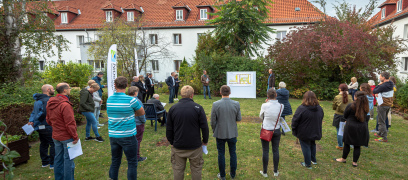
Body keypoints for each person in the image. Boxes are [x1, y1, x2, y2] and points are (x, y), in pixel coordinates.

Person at [166, 85, 209, 180]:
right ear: (192, 95)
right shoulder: (197, 108)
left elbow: (169, 128)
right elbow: (205, 127)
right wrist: (205, 141)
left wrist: (171, 142)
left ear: (181, 95)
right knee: (196, 169)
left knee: (178, 170)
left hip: (182, 145)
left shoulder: (173, 108)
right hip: (191, 146)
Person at [107, 76, 145, 180]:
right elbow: (142, 112)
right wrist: (131, 115)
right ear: (127, 85)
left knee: (115, 160)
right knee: (132, 162)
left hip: (113, 135)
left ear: (115, 86)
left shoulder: (109, 99)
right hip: (128, 135)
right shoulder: (131, 100)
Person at [46, 83, 79, 180]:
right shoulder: (65, 105)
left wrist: (56, 127)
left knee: (58, 159)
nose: (70, 89)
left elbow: (48, 120)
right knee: (68, 160)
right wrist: (75, 136)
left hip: (56, 135)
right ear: (64, 90)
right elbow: (70, 123)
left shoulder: (50, 102)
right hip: (66, 137)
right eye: (69, 88)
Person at [211, 85, 241, 180]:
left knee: (221, 154)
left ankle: (223, 175)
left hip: (220, 133)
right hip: (232, 132)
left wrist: (215, 130)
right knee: (233, 153)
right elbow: (239, 118)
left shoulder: (216, 104)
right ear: (230, 92)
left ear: (220, 93)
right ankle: (232, 174)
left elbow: (212, 121)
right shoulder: (236, 104)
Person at [334, 91, 369, 167]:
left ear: (355, 97)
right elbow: (367, 117)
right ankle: (354, 162)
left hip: (351, 126)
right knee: (357, 145)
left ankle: (343, 159)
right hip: (361, 127)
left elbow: (345, 115)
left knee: (347, 143)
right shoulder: (366, 106)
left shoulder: (351, 105)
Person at [292, 91, 324, 170]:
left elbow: (295, 120)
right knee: (312, 144)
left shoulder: (304, 108)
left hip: (305, 132)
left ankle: (308, 163)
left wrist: (294, 128)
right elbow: (296, 120)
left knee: (306, 145)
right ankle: (313, 160)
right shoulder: (318, 108)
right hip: (314, 130)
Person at [27, 84, 55, 169]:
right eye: (53, 89)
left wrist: (31, 120)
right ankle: (52, 164)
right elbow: (42, 113)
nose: (54, 90)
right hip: (47, 125)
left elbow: (34, 112)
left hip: (40, 127)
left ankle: (44, 162)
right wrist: (36, 121)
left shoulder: (37, 100)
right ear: (48, 89)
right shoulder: (47, 100)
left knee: (43, 143)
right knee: (53, 143)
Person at [259, 88, 283, 177]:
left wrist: (266, 103)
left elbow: (261, 116)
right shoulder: (281, 106)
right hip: (276, 129)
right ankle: (275, 171)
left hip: (266, 129)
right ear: (276, 95)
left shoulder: (264, 105)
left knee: (265, 150)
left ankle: (265, 172)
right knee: (275, 150)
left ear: (268, 96)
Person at [373, 72, 394, 142]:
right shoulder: (391, 83)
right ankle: (379, 133)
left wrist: (378, 85)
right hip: (389, 104)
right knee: (383, 119)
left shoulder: (383, 86)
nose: (379, 78)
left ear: (383, 77)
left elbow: (374, 90)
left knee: (381, 121)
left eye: (380, 77)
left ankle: (384, 137)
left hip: (382, 105)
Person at [128, 86, 147, 162]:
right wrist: (143, 121)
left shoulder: (126, 100)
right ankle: (136, 156)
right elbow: (141, 113)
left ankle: (131, 155)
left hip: (129, 122)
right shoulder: (137, 101)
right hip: (137, 123)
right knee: (137, 140)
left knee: (131, 140)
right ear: (135, 92)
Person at [332, 84, 352, 150]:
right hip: (348, 116)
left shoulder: (337, 97)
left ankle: (340, 145)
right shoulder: (350, 97)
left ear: (340, 89)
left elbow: (334, 107)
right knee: (347, 130)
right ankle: (349, 144)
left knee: (339, 131)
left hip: (339, 115)